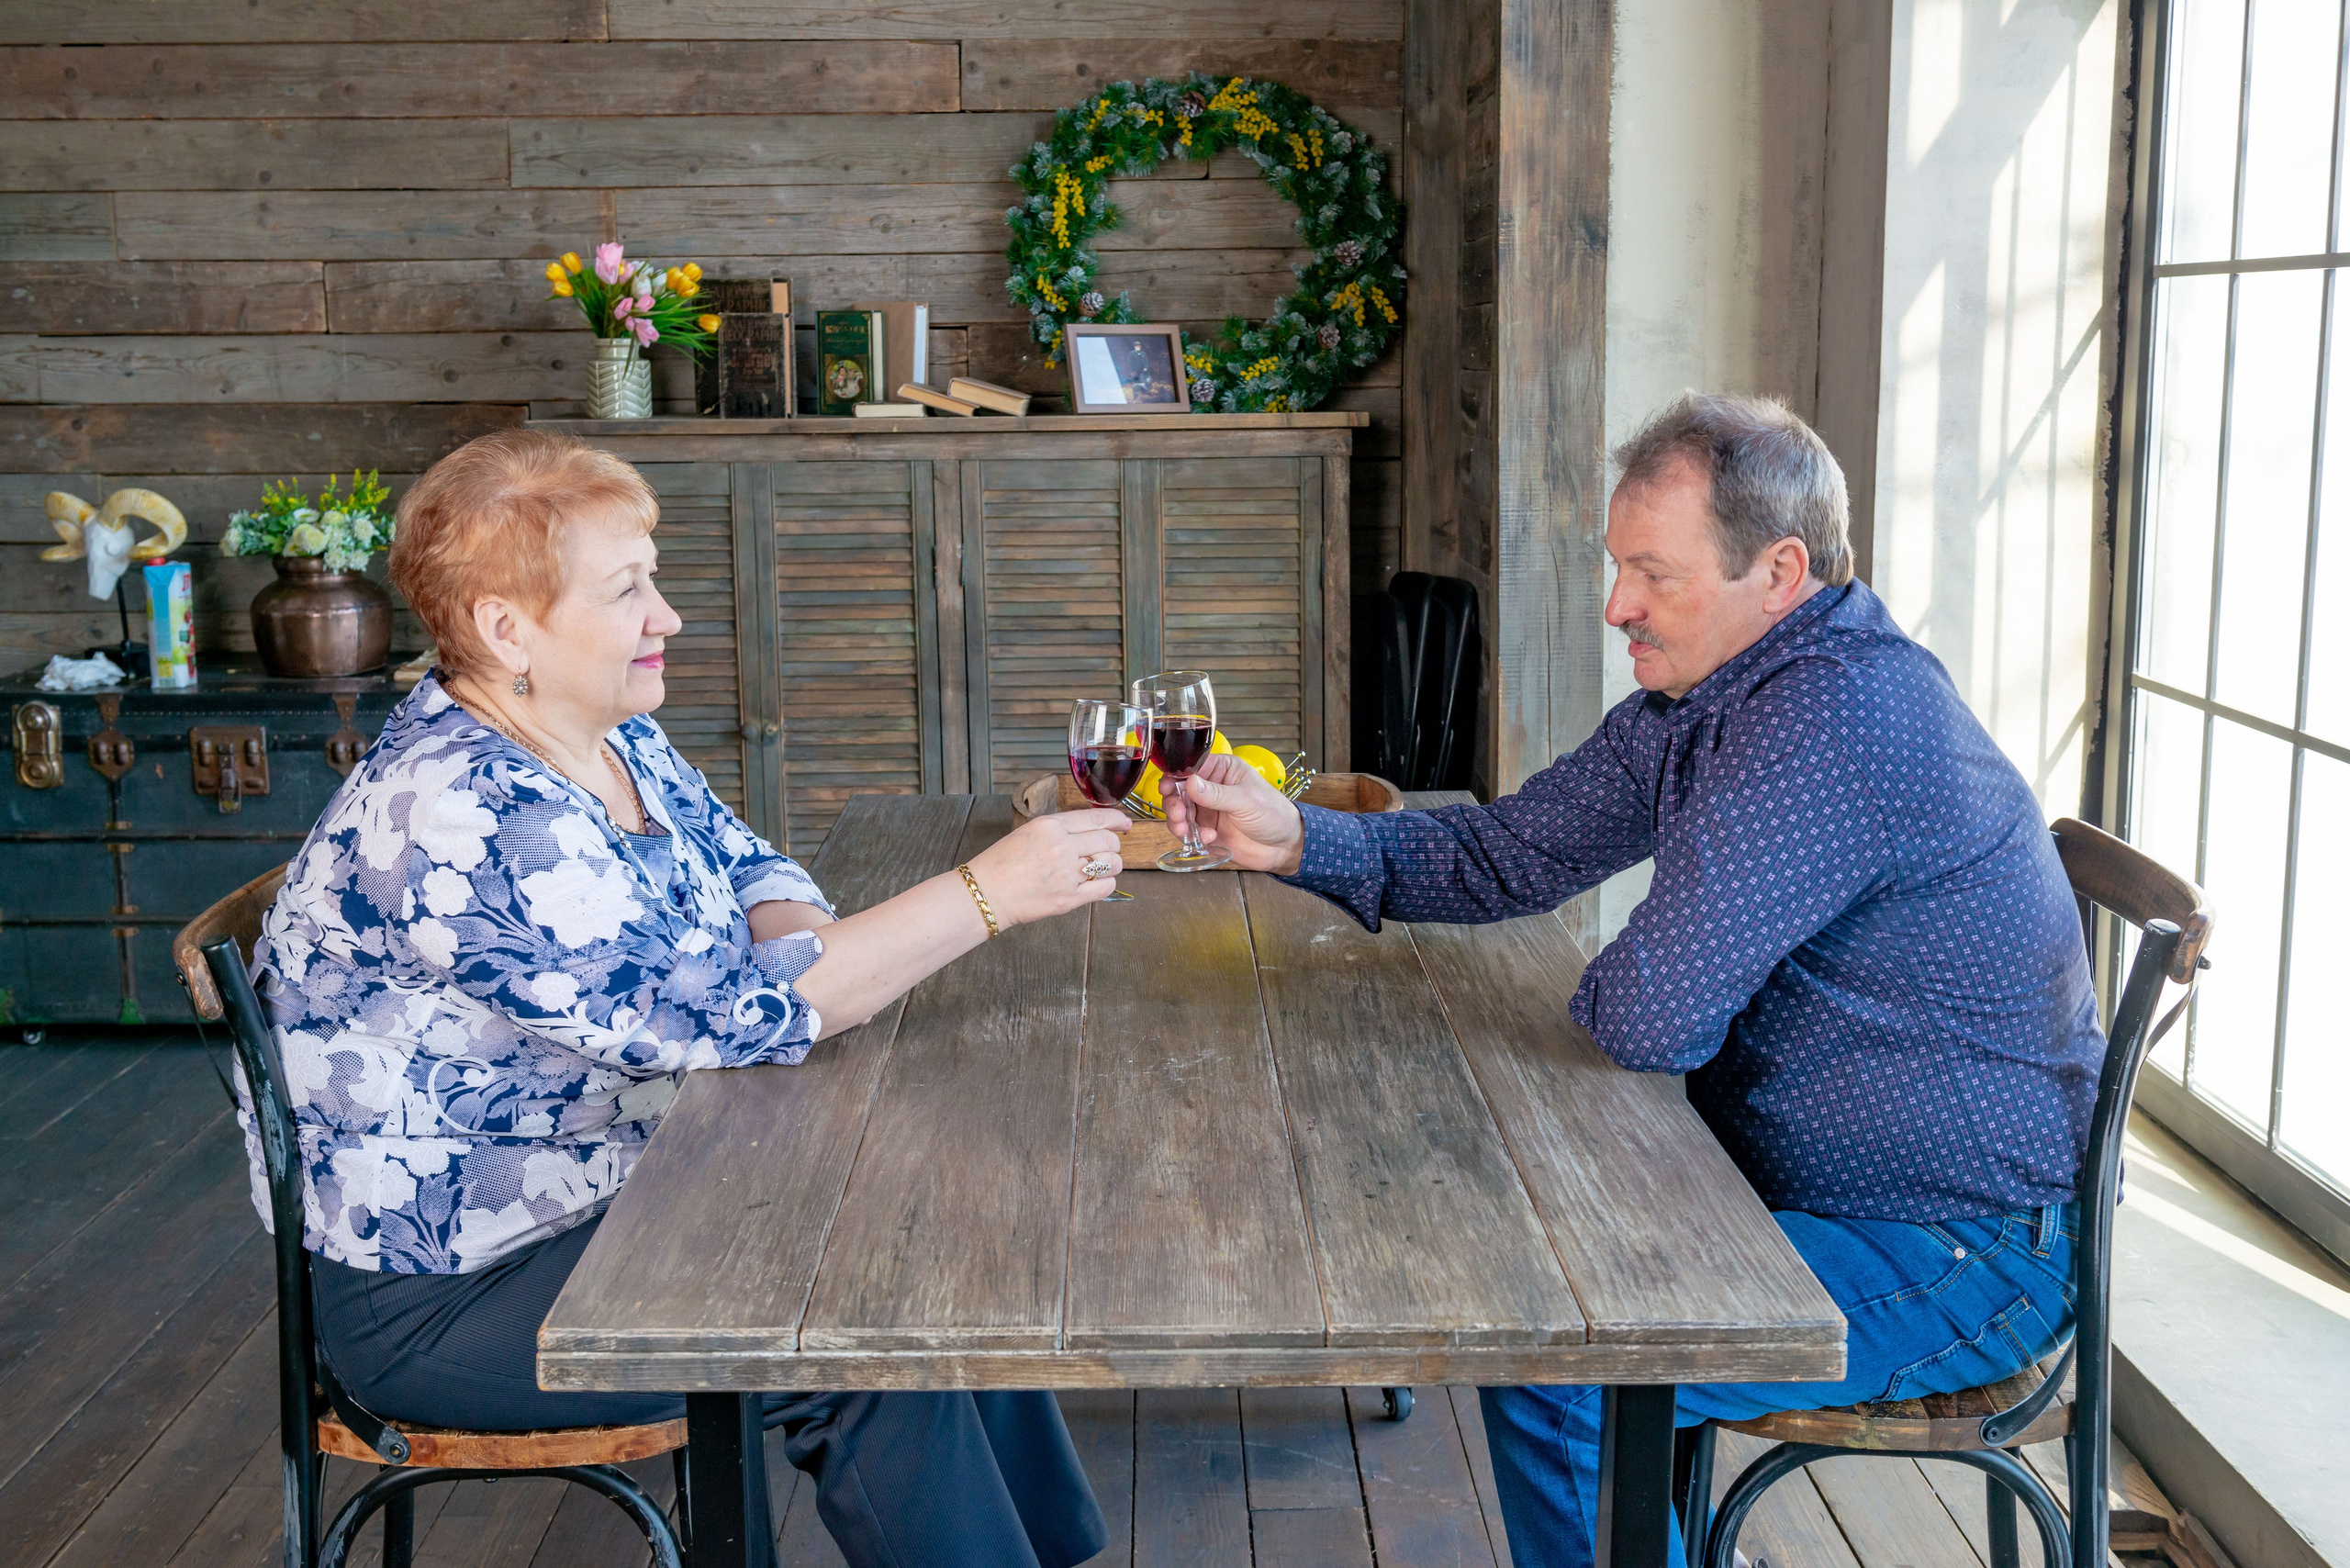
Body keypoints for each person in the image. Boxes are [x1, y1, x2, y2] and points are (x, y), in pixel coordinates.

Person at [1164, 394, 2099, 1568]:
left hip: (1956, 1248)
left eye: (1652, 574)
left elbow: (1646, 1012)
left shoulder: (1833, 716)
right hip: (1805, 1188)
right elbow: (1510, 853)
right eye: (1618, 568)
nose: (1618, 607)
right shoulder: (1709, 695)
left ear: (1780, 570)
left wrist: (1657, 951)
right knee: (1530, 1274)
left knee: (1568, 1370)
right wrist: (1292, 835)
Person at [242, 428, 1123, 1568]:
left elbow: (753, 868)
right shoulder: (465, 814)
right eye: (627, 589)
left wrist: (817, 958)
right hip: (450, 1288)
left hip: (613, 1183)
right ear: (507, 627)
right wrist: (986, 892)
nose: (667, 615)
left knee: (910, 1250)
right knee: (853, 1338)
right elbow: (732, 1017)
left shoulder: (609, 736)